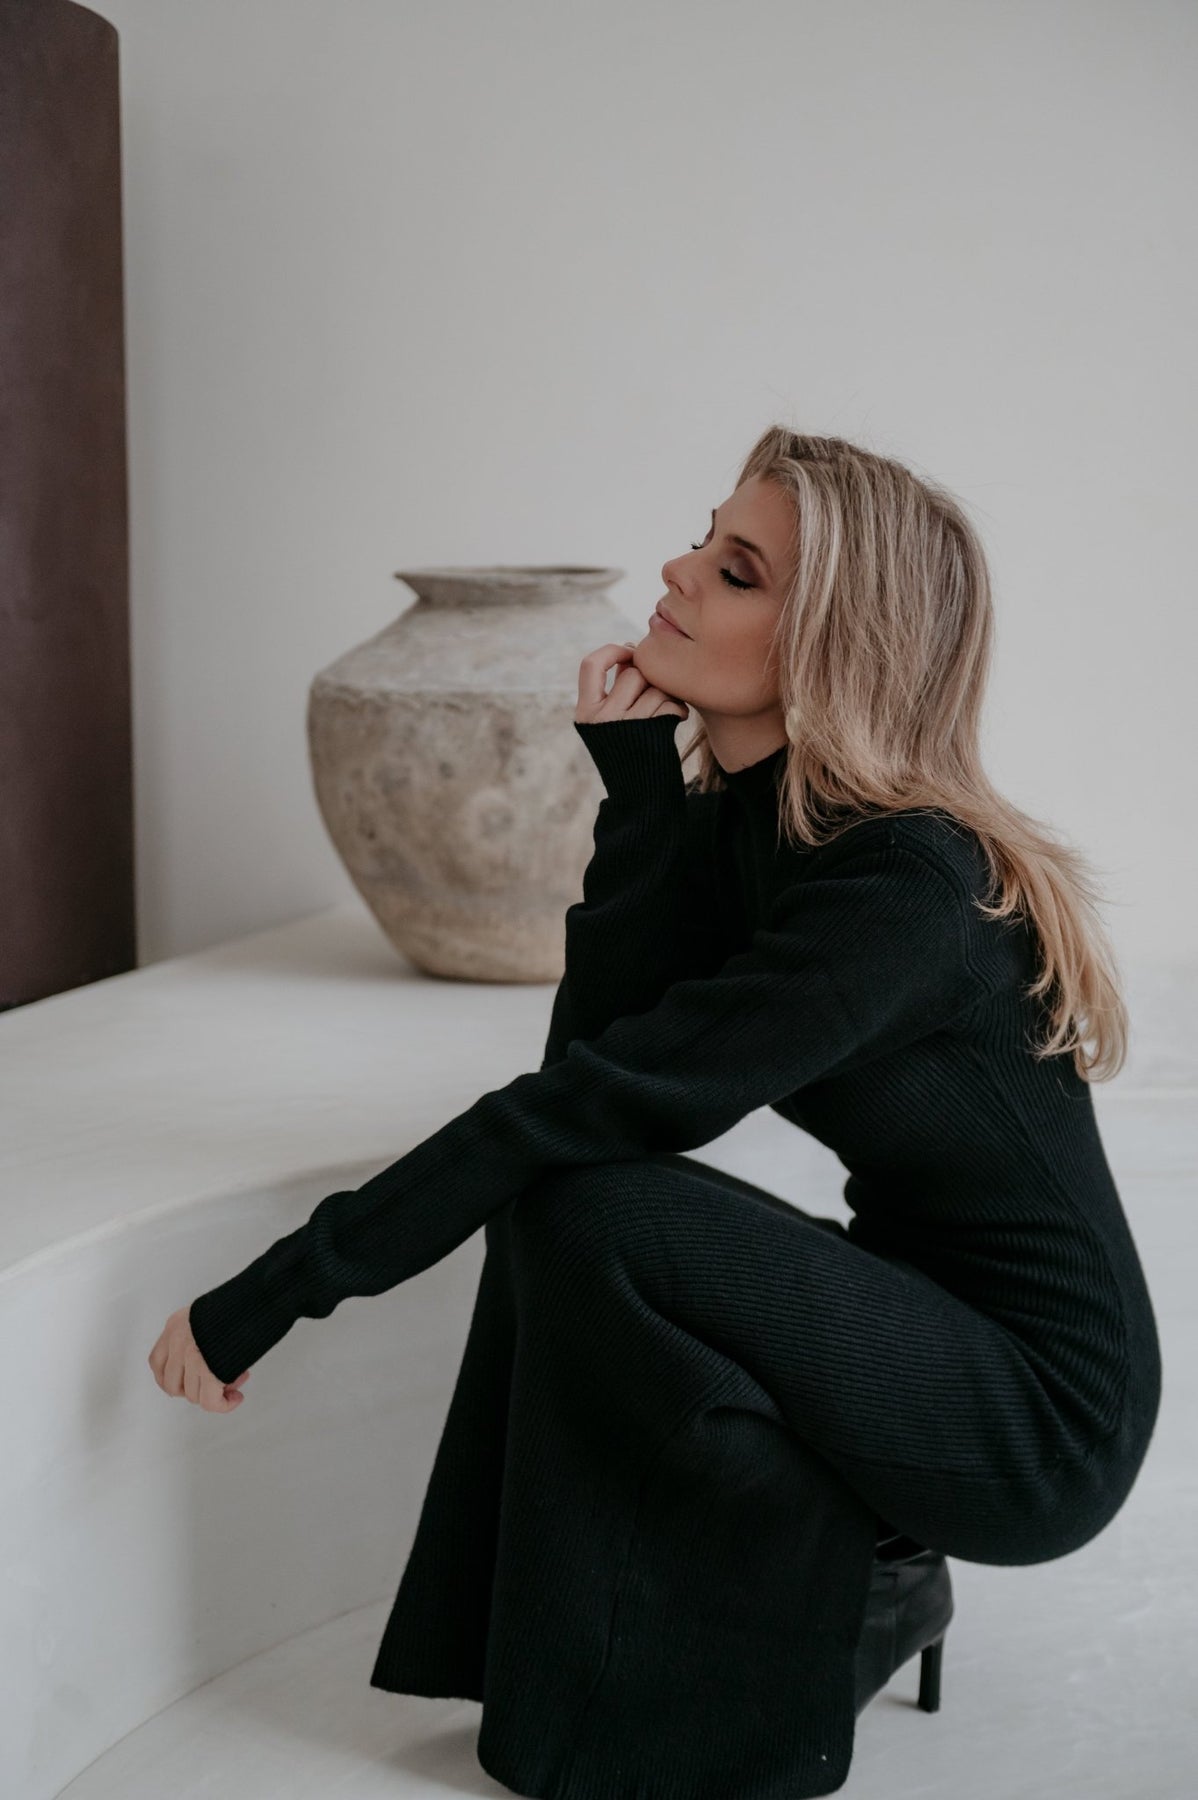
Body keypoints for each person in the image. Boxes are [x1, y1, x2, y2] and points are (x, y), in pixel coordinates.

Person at [148, 427, 1162, 1800]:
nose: (678, 572)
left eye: (736, 571)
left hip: (1039, 1413)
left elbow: (587, 1109)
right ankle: (852, 1579)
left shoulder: (903, 887)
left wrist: (281, 1288)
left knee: (594, 1207)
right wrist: (636, 789)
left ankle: (814, 1619)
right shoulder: (756, 833)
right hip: (918, 1325)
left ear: (830, 644)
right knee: (573, 1199)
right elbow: (597, 1075)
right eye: (703, 540)